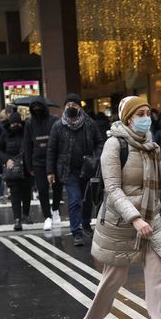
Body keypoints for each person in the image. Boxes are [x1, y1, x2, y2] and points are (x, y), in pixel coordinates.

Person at [84, 96, 161, 319]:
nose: (146, 118)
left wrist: (151, 214)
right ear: (128, 117)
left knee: (158, 274)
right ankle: (94, 318)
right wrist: (135, 218)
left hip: (151, 221)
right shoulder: (114, 145)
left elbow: (155, 186)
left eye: (147, 112)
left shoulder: (152, 147)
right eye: (140, 113)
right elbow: (113, 188)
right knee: (114, 277)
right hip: (120, 222)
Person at [46, 93, 104, 246]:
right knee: (74, 199)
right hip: (68, 169)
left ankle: (85, 224)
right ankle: (76, 232)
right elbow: (51, 149)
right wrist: (50, 171)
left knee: (88, 199)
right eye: (68, 104)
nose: (71, 107)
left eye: (74, 104)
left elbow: (99, 142)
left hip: (88, 168)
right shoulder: (58, 126)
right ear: (65, 107)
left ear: (80, 107)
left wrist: (96, 157)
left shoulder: (90, 123)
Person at [22, 96, 62, 231]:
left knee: (57, 187)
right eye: (34, 108)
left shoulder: (55, 121)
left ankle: (55, 209)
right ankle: (47, 217)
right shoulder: (29, 123)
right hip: (38, 161)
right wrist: (29, 165)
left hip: (55, 159)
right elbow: (27, 144)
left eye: (39, 107)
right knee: (42, 189)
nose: (37, 109)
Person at [0, 111, 31, 230]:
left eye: (18, 123)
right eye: (13, 123)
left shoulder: (26, 132)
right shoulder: (5, 134)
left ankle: (26, 214)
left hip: (26, 168)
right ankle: (17, 220)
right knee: (15, 194)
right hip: (13, 169)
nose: (15, 126)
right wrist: (6, 160)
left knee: (27, 192)